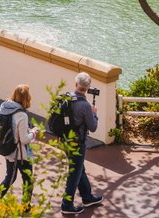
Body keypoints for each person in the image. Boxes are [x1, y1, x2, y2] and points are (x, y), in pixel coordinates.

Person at [60, 72, 104, 214]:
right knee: (74, 173)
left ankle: (87, 197)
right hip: (77, 144)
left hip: (65, 140)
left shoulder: (66, 98)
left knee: (79, 169)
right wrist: (94, 113)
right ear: (88, 88)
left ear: (75, 84)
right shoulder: (85, 106)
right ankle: (67, 204)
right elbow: (93, 127)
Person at [0, 84, 36, 210]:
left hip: (8, 149)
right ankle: (25, 206)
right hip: (20, 154)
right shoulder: (21, 115)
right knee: (27, 180)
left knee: (10, 177)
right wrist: (33, 132)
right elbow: (24, 139)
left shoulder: (4, 107)